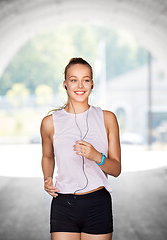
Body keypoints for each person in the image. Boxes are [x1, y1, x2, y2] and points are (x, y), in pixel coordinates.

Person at [41, 57, 121, 240]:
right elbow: (47, 156)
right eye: (73, 80)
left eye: (86, 80)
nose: (80, 86)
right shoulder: (49, 123)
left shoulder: (107, 118)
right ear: (65, 84)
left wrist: (96, 156)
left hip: (97, 203)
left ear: (92, 84)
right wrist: (47, 177)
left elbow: (116, 169)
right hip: (63, 204)